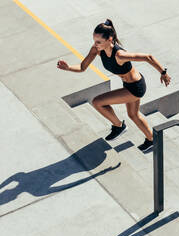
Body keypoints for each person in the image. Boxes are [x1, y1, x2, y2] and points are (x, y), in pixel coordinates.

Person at [57, 19, 171, 152]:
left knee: (98, 102)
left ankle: (119, 126)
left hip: (135, 88)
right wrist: (68, 67)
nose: (95, 44)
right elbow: (82, 67)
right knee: (133, 115)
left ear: (110, 39)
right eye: (94, 40)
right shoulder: (97, 50)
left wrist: (163, 73)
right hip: (129, 86)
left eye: (99, 42)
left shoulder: (119, 55)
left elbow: (148, 57)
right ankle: (152, 140)